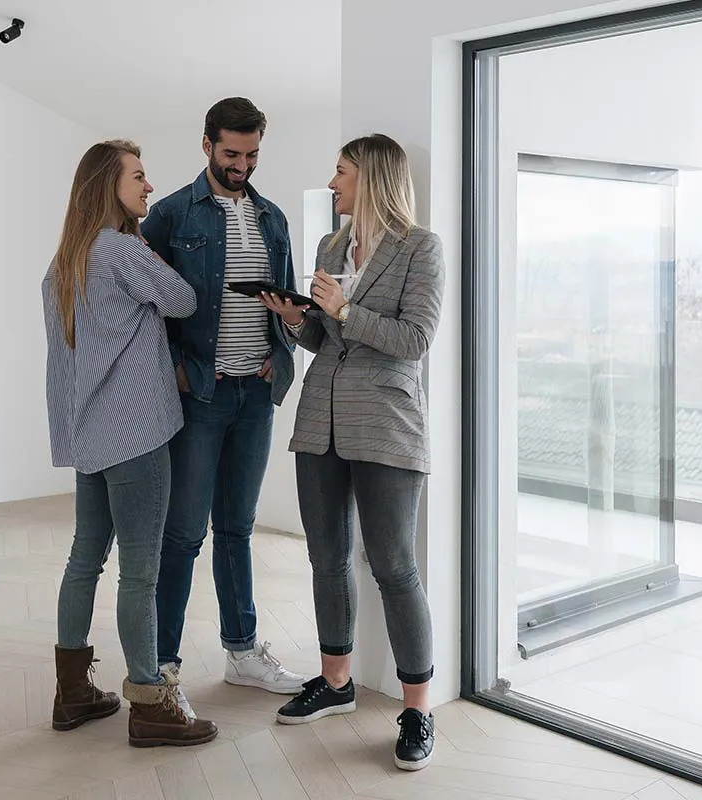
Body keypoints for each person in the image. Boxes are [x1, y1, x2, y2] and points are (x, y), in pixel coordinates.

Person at [260, 133, 445, 771]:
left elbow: (415, 338)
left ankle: (418, 709)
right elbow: (323, 335)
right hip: (321, 422)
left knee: (394, 565)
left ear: (371, 178)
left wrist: (345, 307)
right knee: (326, 557)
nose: (332, 183)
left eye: (341, 173)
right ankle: (335, 682)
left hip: (388, 423)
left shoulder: (422, 247)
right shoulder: (331, 245)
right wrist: (294, 317)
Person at [42, 139, 218, 748]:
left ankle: (72, 692)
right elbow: (184, 299)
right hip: (138, 434)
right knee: (140, 574)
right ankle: (150, 701)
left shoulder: (62, 264)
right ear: (106, 187)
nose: (148, 187)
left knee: (84, 559)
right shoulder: (122, 250)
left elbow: (63, 362)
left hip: (89, 434)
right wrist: (153, 257)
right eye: (138, 177)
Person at [140, 98, 306, 699]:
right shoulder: (169, 215)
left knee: (237, 527)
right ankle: (160, 667)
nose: (242, 165)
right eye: (232, 153)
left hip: (254, 394)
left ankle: (242, 652)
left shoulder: (274, 219)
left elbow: (286, 307)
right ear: (206, 144)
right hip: (200, 396)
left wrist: (284, 338)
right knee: (182, 533)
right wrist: (176, 372)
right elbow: (143, 305)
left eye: (253, 154)